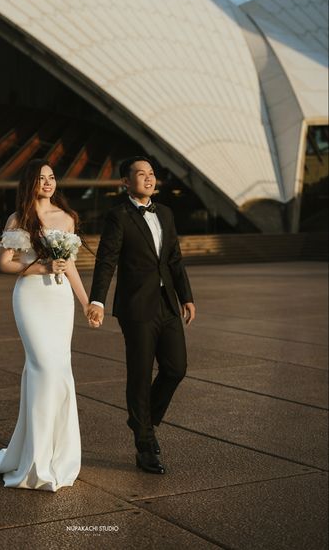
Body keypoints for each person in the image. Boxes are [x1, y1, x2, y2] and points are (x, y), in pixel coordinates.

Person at [0, 159, 93, 492]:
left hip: (60, 301)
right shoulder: (19, 219)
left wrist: (87, 303)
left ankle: (58, 454)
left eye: (52, 177)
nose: (48, 182)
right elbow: (4, 264)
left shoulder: (68, 218)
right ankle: (34, 459)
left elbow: (70, 266)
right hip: (30, 299)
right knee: (43, 367)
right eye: (41, 178)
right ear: (30, 183)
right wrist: (42, 266)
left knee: (59, 370)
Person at [87, 156, 196, 474]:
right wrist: (98, 301)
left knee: (176, 368)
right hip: (136, 307)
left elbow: (174, 258)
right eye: (140, 174)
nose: (149, 178)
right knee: (140, 373)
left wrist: (186, 297)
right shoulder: (118, 216)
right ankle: (145, 444)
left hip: (167, 303)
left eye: (151, 173)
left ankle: (142, 420)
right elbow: (106, 260)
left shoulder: (165, 212)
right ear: (126, 181)